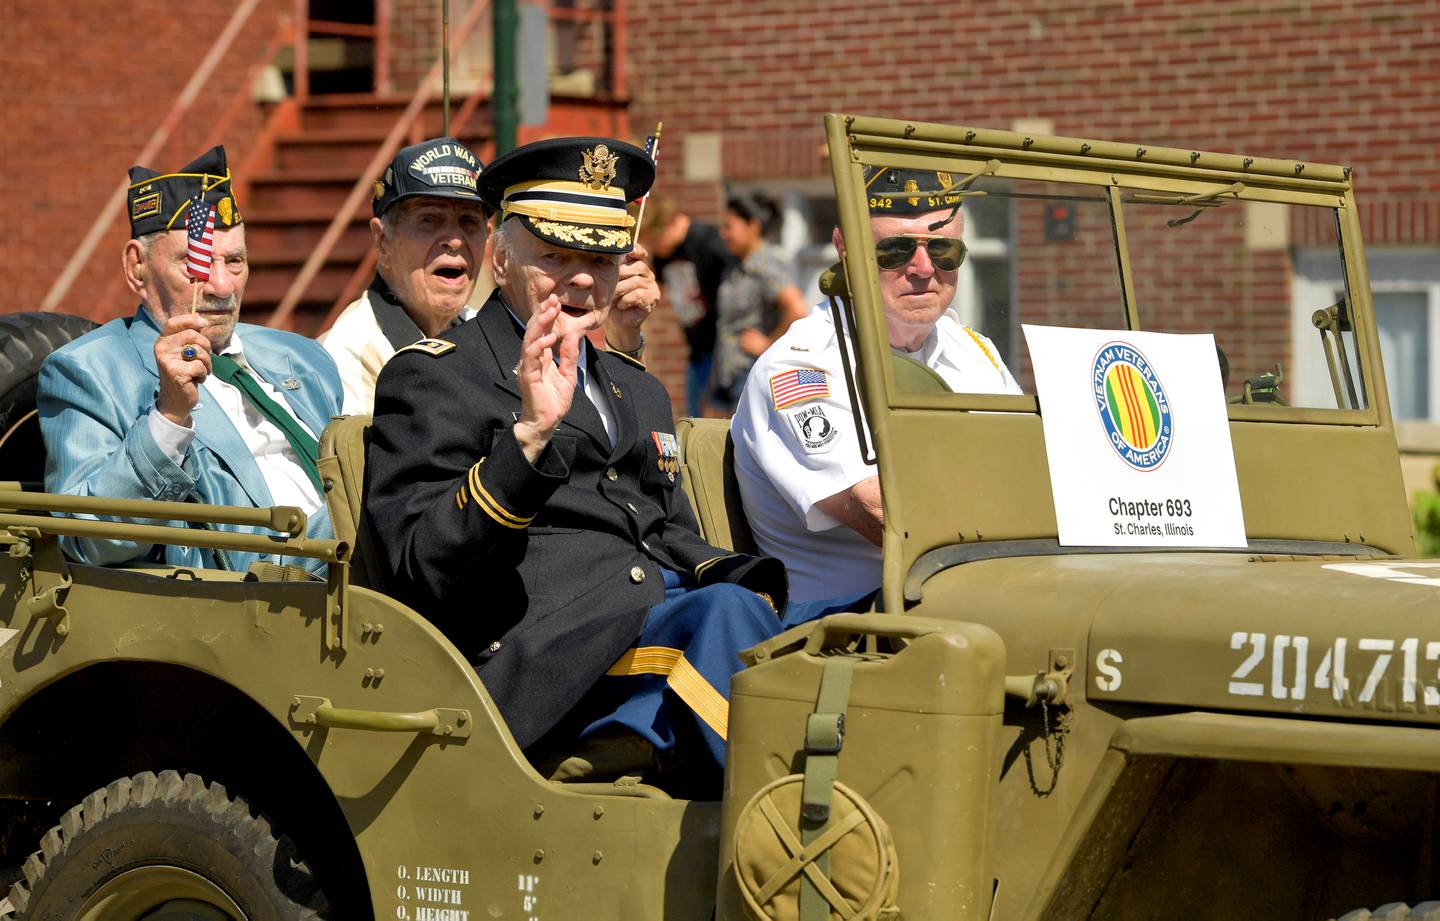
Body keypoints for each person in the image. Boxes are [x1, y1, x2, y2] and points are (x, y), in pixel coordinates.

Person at [364, 137, 793, 775]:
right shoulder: (436, 378)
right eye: (556, 255)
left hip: (660, 627)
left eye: (602, 255)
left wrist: (751, 583)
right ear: (501, 259)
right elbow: (420, 567)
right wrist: (529, 439)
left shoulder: (636, 386)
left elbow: (667, 533)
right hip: (545, 668)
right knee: (726, 622)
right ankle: (796, 828)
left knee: (842, 622)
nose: (585, 277)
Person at [39, 146, 343, 573]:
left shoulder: (301, 356)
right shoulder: (87, 371)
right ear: (137, 268)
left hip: (362, 570)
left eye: (235, 261)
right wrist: (169, 418)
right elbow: (87, 537)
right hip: (262, 595)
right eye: (194, 262)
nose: (221, 285)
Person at [731, 167, 1022, 603]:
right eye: (895, 251)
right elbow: (883, 514)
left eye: (944, 250)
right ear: (845, 249)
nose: (924, 269)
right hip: (849, 633)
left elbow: (1032, 469)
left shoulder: (973, 352)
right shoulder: (802, 368)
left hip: (966, 598)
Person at [320, 137, 663, 415]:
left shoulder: (485, 331)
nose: (454, 240)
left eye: (469, 222)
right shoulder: (346, 356)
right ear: (382, 240)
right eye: (429, 220)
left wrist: (624, 337)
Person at [710, 192, 809, 411]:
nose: (722, 233)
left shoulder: (765, 264)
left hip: (750, 372)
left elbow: (797, 309)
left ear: (752, 226)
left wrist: (767, 344)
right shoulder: (737, 264)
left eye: (729, 227)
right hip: (729, 377)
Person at [642, 197, 737, 417]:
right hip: (697, 349)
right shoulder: (665, 256)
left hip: (723, 349)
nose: (655, 249)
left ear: (671, 224)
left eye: (656, 240)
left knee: (716, 419)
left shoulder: (709, 242)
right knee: (695, 418)